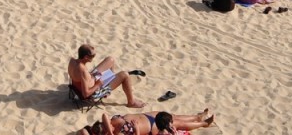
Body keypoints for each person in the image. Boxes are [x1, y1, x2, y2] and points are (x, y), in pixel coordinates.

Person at [67, 44, 144, 109]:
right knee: (125, 75)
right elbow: (85, 94)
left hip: (91, 78)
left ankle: (111, 81)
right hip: (95, 92)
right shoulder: (83, 71)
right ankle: (131, 102)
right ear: (86, 57)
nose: (94, 57)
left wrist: (90, 77)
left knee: (110, 60)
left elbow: (79, 76)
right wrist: (97, 84)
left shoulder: (72, 61)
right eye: (93, 56)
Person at [83, 110, 215, 134]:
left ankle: (197, 117)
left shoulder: (112, 121)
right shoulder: (117, 133)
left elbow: (104, 115)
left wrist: (108, 129)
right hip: (152, 126)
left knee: (173, 116)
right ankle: (204, 123)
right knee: (177, 123)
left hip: (148, 115)